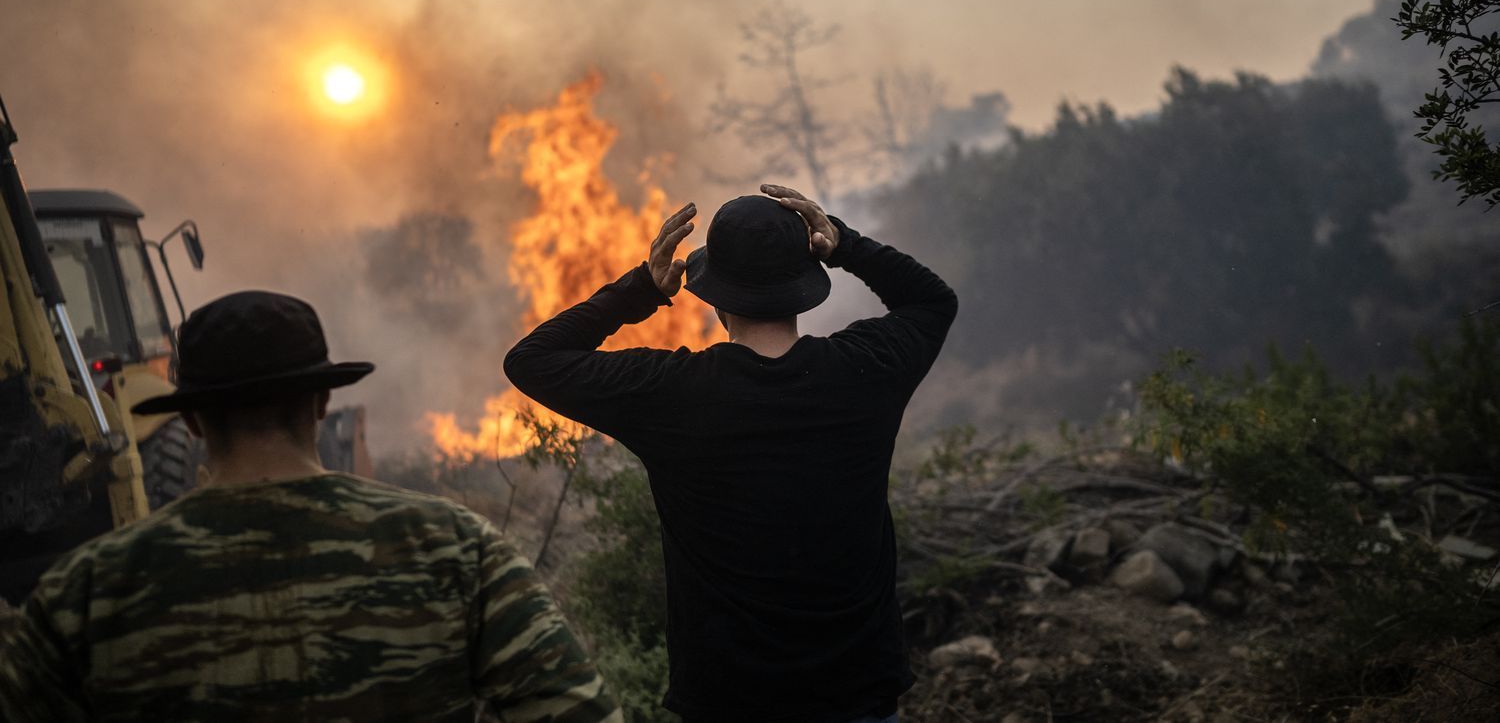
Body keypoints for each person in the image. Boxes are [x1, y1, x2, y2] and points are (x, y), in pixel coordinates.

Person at [0, 290, 620, 723]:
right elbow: (578, 711)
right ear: (323, 401)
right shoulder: (455, 550)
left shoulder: (88, 591)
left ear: (188, 419)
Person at [504, 184, 958, 723]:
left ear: (714, 295)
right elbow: (933, 301)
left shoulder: (670, 393)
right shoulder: (866, 371)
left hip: (728, 703)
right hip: (859, 696)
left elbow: (531, 360)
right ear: (806, 281)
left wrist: (640, 290)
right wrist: (845, 245)